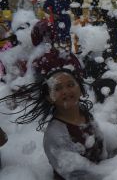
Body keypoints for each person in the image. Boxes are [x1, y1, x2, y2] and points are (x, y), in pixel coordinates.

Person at [0, 22, 107, 180]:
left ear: (80, 88)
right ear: (49, 96)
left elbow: (103, 153)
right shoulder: (56, 134)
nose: (66, 91)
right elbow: (76, 174)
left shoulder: (86, 116)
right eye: (58, 88)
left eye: (71, 85)